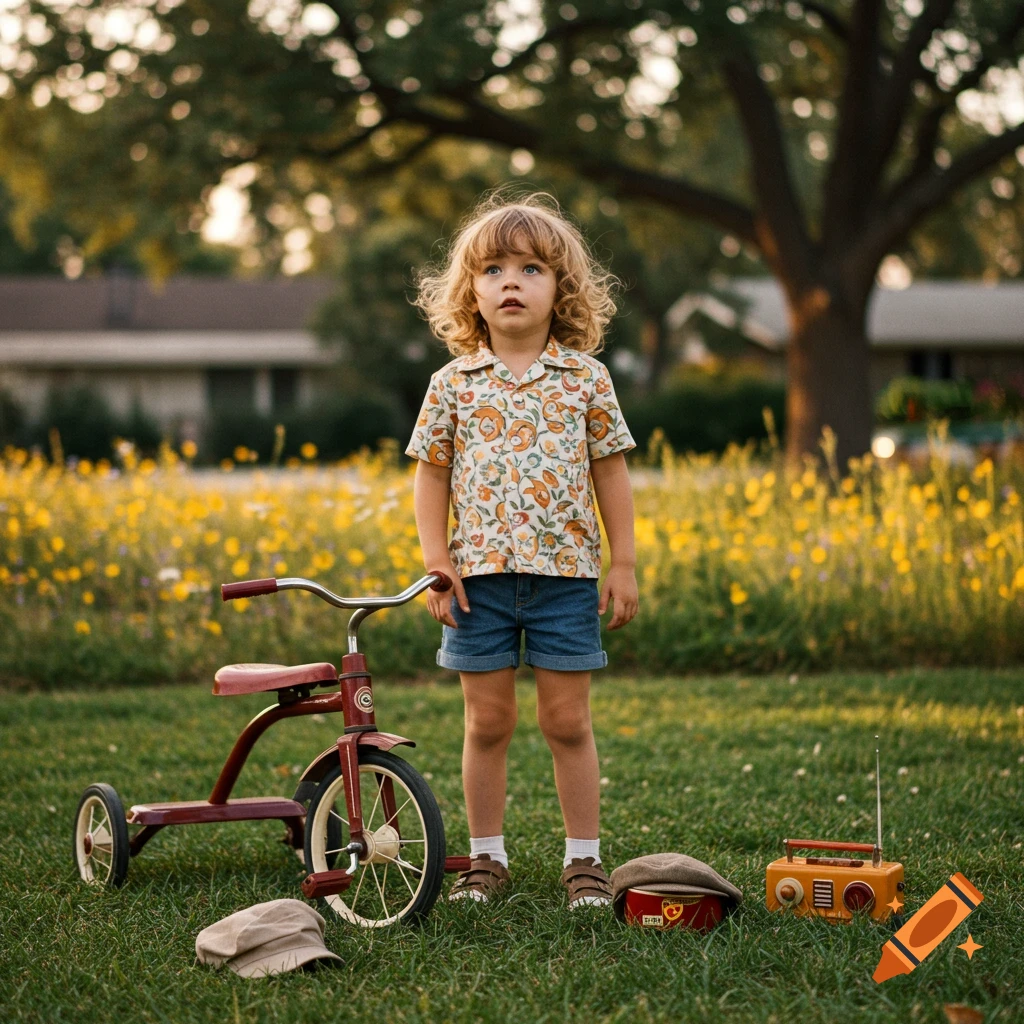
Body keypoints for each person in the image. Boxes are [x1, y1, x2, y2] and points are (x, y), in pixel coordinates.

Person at [404, 191, 638, 909]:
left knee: (566, 722)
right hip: (477, 584)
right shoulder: (453, 384)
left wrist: (624, 563)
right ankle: (486, 859)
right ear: (470, 290)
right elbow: (431, 476)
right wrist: (436, 562)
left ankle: (584, 861)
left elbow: (610, 471)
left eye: (531, 269)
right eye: (494, 269)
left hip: (566, 580)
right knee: (488, 723)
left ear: (560, 287)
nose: (512, 282)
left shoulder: (586, 380)